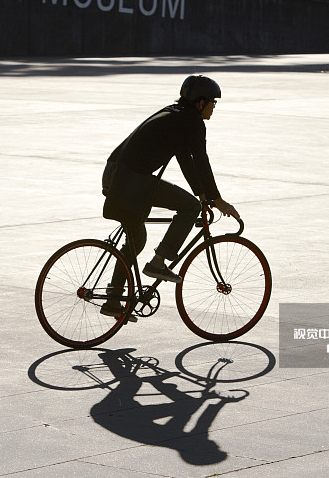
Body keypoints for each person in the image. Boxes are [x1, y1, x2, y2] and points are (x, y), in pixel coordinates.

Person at [100, 75, 240, 319]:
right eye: (213, 103)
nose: (214, 107)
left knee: (136, 240)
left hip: (115, 175)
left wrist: (203, 195)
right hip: (131, 180)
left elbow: (186, 160)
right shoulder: (192, 122)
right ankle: (159, 262)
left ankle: (113, 300)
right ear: (201, 103)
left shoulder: (175, 115)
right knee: (189, 208)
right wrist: (218, 201)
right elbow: (201, 161)